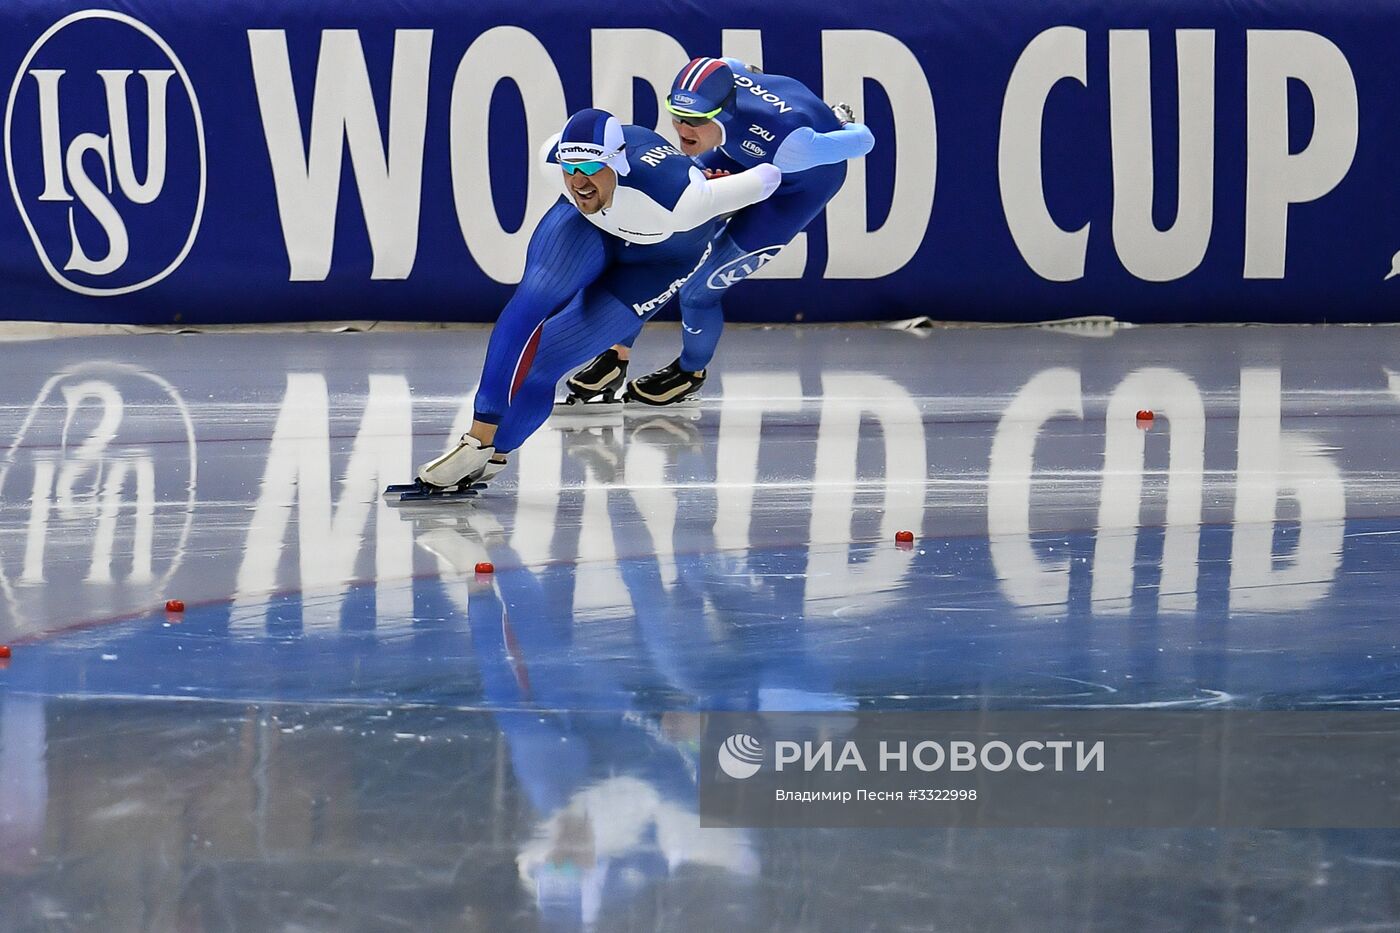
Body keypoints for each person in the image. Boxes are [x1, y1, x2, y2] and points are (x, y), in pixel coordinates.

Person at [412, 108, 781, 492]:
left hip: (661, 259)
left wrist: (743, 176)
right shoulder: (551, 160)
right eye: (570, 166)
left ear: (617, 162)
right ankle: (479, 445)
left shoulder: (684, 200)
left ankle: (497, 455)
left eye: (590, 165)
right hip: (590, 224)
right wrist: (478, 433)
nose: (578, 179)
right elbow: (524, 316)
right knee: (532, 300)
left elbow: (770, 177)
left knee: (544, 363)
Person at [562, 57, 875, 408]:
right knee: (658, 243)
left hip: (796, 186)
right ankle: (614, 355)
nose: (682, 129)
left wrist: (841, 124)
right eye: (676, 116)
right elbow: (740, 66)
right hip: (739, 154)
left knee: (698, 290)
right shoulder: (723, 75)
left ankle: (689, 373)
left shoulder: (794, 146)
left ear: (724, 114)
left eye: (695, 121)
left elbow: (863, 142)